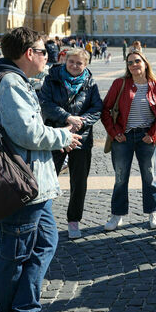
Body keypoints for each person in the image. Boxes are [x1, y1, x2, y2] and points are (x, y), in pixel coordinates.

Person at [0, 27, 81, 312]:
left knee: (44, 243)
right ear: (27, 54)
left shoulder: (7, 79)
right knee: (15, 253)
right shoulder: (9, 83)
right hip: (21, 184)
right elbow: (29, 134)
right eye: (42, 51)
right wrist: (64, 136)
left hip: (30, 183)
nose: (47, 56)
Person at [101, 49, 156, 231]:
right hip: (123, 138)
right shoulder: (120, 84)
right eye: (129, 62)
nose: (133, 65)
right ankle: (117, 214)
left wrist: (153, 135)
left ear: (145, 63)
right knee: (121, 178)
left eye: (137, 61)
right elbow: (105, 110)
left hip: (145, 138)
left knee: (149, 177)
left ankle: (153, 212)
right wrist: (115, 133)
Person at [39, 48, 103, 239]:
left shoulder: (90, 83)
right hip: (56, 135)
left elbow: (97, 108)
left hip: (81, 138)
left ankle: (73, 220)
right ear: (65, 61)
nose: (74, 65)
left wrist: (80, 122)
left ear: (86, 65)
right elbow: (46, 103)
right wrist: (67, 118)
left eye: (79, 63)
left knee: (79, 181)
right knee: (46, 180)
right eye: (71, 62)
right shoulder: (52, 78)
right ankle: (41, 220)